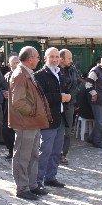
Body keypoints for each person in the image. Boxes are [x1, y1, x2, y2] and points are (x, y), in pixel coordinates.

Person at [8, 46, 51, 201]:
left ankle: (31, 185)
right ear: (30, 58)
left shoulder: (26, 73)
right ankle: (22, 187)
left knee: (33, 154)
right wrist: (34, 113)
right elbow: (18, 102)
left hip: (32, 122)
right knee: (22, 156)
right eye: (38, 57)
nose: (39, 60)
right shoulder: (20, 74)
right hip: (25, 122)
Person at [34, 47, 69, 190]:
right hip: (47, 119)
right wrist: (60, 97)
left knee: (56, 151)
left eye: (57, 57)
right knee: (44, 151)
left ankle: (50, 177)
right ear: (45, 58)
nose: (55, 59)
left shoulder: (59, 73)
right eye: (51, 57)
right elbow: (40, 98)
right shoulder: (39, 75)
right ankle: (37, 181)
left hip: (59, 117)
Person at [85, 55, 102, 148]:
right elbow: (88, 84)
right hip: (97, 101)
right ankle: (97, 142)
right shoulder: (95, 71)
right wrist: (94, 94)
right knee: (100, 121)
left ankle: (91, 138)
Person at [59, 49, 80, 165]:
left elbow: (78, 85)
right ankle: (53, 153)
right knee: (55, 130)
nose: (71, 61)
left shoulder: (73, 70)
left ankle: (63, 154)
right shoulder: (55, 70)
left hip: (69, 104)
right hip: (56, 104)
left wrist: (71, 96)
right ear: (61, 59)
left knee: (67, 132)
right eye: (69, 58)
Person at [2, 55, 20, 160]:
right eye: (14, 63)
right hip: (7, 107)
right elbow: (2, 89)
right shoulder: (6, 76)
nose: (16, 65)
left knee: (17, 131)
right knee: (6, 130)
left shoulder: (24, 75)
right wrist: (3, 93)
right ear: (9, 65)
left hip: (19, 108)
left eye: (18, 62)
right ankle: (10, 150)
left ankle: (17, 151)